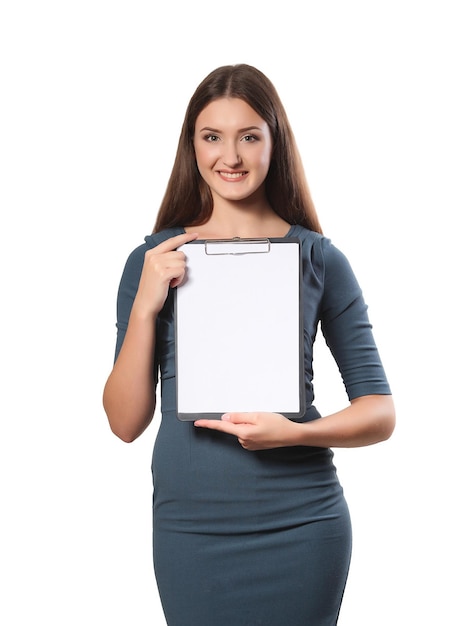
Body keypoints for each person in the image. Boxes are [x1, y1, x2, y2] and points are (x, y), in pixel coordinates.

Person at [103, 63, 395, 626]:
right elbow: (124, 423)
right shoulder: (152, 262)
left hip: (303, 522)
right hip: (190, 528)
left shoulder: (319, 259)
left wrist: (297, 433)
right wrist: (146, 305)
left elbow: (380, 412)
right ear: (192, 146)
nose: (230, 156)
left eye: (249, 136)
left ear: (274, 142)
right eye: (212, 136)